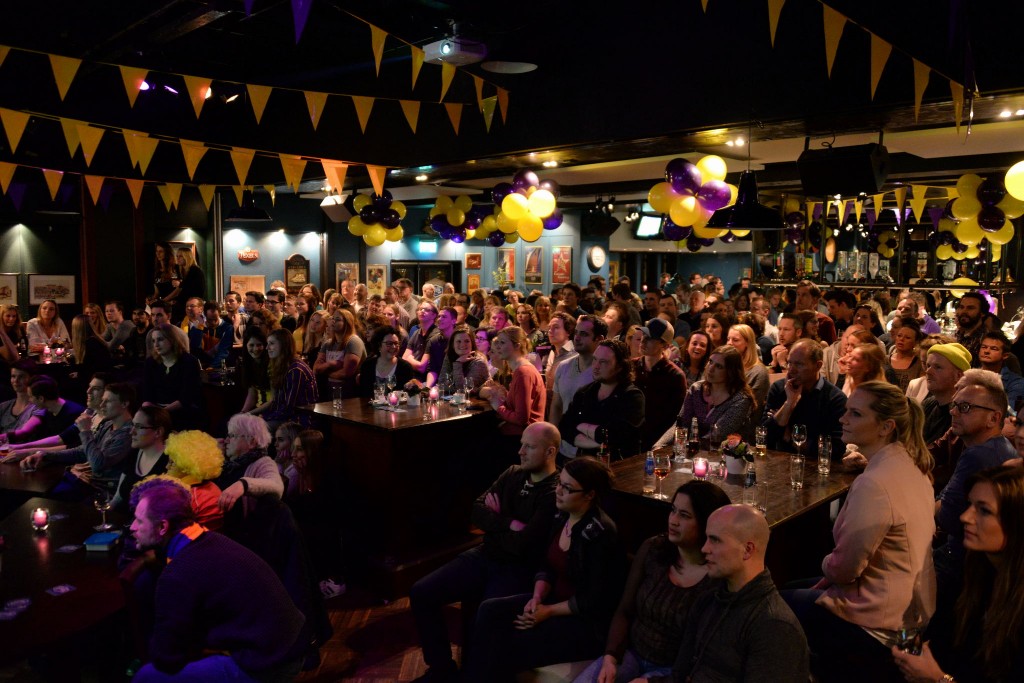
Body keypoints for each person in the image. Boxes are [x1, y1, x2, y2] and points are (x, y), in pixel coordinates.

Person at [782, 381, 935, 683]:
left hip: (880, 621)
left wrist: (826, 562)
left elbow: (845, 569)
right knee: (795, 584)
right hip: (914, 609)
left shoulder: (876, 482)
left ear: (885, 427)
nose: (842, 419)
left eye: (855, 414)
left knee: (772, 606)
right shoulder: (911, 464)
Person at [410, 422, 561, 682]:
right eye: (521, 444)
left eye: (529, 446)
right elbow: (476, 511)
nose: (520, 451)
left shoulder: (553, 492)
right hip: (485, 554)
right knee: (421, 592)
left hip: (518, 566)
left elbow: (524, 545)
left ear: (550, 452)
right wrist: (507, 523)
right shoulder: (513, 472)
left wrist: (497, 518)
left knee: (486, 617)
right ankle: (442, 669)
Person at [128, 477, 306, 682]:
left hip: (269, 664)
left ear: (162, 527)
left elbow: (167, 659)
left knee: (147, 676)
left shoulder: (177, 575)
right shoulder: (210, 540)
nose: (132, 527)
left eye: (139, 521)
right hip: (290, 644)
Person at [466, 457, 626, 681]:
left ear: (589, 495)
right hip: (552, 600)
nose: (558, 491)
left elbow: (593, 599)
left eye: (567, 488)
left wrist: (547, 612)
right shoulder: (561, 514)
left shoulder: (600, 533)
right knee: (489, 610)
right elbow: (546, 564)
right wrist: (537, 597)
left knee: (509, 641)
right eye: (559, 483)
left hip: (584, 621)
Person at [576, 481, 731, 683]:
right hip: (631, 654)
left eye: (684, 516)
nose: (673, 521)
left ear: (707, 523)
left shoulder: (717, 576)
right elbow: (625, 609)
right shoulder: (654, 548)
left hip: (673, 673)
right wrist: (610, 657)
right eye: (673, 511)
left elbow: (707, 655)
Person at [891, 467, 1024, 683]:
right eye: (970, 504)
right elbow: (937, 635)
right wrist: (910, 650)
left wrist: (939, 679)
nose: (965, 516)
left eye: (984, 511)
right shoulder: (978, 570)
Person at [651, 505, 809, 683]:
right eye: (706, 539)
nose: (704, 548)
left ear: (747, 550)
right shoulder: (708, 601)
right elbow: (679, 675)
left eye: (715, 540)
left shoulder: (774, 625)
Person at [933, 369, 1018, 597]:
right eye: (955, 405)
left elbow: (947, 518)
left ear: (994, 418)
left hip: (964, 560)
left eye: (965, 407)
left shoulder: (980, 454)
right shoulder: (992, 447)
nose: (953, 412)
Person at [19, 382, 136, 492]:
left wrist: (85, 431)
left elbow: (98, 465)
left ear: (124, 404)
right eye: (102, 400)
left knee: (42, 490)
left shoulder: (126, 434)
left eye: (108, 401)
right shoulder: (108, 424)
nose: (102, 405)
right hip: (86, 481)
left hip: (100, 489)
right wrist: (44, 455)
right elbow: (82, 451)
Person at [560, 339, 645, 460]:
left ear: (620, 366)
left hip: (619, 467)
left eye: (603, 362)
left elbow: (617, 436)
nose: (596, 366)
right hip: (585, 464)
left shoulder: (632, 396)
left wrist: (583, 426)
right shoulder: (585, 392)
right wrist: (599, 442)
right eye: (595, 359)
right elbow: (565, 427)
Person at [762, 338, 847, 456]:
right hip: (779, 462)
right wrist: (789, 403)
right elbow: (764, 437)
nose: (791, 369)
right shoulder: (779, 389)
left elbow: (835, 448)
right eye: (789, 363)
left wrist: (789, 437)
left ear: (818, 366)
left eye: (799, 364)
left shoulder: (835, 398)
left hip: (816, 468)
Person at [659, 345, 755, 447]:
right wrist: (660, 445)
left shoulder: (740, 399)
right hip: (692, 450)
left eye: (719, 366)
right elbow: (681, 425)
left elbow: (717, 435)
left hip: (726, 455)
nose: (711, 368)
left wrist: (687, 448)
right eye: (710, 362)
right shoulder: (696, 389)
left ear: (731, 372)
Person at [485, 326, 547, 459]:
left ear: (517, 345)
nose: (498, 347)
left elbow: (521, 419)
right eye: (497, 343)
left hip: (521, 439)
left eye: (502, 342)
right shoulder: (519, 370)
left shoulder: (523, 372)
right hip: (519, 436)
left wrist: (498, 407)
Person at [551, 315, 608, 460]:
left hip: (591, 453)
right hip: (563, 448)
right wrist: (553, 439)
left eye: (584, 334)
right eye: (576, 332)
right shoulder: (563, 367)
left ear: (599, 339)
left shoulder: (604, 372)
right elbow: (556, 406)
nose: (577, 338)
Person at [214, 412, 285, 514]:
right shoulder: (229, 462)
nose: (226, 440)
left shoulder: (263, 462)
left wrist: (244, 484)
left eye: (232, 435)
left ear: (252, 442)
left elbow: (277, 485)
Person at [632, 319, 687, 451]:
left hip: (655, 444)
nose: (643, 341)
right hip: (630, 440)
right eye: (644, 335)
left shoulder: (674, 376)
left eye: (650, 338)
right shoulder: (631, 366)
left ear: (665, 345)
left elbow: (675, 418)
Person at [141, 322, 203, 431]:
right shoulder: (150, 362)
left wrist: (161, 413)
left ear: (172, 340)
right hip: (157, 412)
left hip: (183, 412)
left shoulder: (189, 361)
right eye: (153, 341)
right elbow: (147, 393)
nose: (156, 345)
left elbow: (186, 398)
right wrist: (146, 412)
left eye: (160, 340)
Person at [251, 329, 317, 428]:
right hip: (285, 417)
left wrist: (265, 418)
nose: (267, 348)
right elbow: (276, 401)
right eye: (267, 343)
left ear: (284, 345)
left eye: (271, 343)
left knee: (255, 430)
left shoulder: (296, 370)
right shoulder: (281, 366)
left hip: (299, 420)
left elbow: (289, 407)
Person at [111, 405, 172, 512]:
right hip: (122, 520)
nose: (132, 432)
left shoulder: (169, 464)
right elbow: (118, 497)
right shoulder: (133, 453)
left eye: (139, 427)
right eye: (133, 425)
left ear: (158, 432)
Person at [314, 308, 366, 396]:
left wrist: (326, 373)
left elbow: (346, 373)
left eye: (337, 320)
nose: (333, 322)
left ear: (347, 323)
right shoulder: (328, 344)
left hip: (349, 393)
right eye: (333, 319)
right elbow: (316, 369)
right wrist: (331, 364)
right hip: (330, 391)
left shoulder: (353, 341)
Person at [356, 325, 415, 398]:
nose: (394, 347)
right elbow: (363, 394)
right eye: (389, 344)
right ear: (379, 345)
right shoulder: (368, 365)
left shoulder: (405, 367)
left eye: (396, 343)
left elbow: (408, 396)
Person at [727, 322, 770, 411]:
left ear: (747, 343)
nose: (729, 343)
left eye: (735, 340)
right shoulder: (727, 366)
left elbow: (752, 406)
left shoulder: (758, 372)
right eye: (728, 339)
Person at [977, 330, 1024, 408]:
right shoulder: (970, 375)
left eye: (994, 349)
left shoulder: (1016, 383)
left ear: (1005, 355)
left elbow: (1009, 412)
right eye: (984, 347)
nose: (986, 351)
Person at [438, 324, 489, 392]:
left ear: (472, 343)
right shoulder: (449, 356)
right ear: (453, 344)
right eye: (458, 341)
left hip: (476, 401)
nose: (462, 345)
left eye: (467, 341)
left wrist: (458, 364)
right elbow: (441, 384)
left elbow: (463, 390)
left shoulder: (479, 362)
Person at [165, 246, 205, 323]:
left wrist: (164, 300)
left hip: (192, 307)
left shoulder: (194, 270)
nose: (178, 258)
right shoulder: (185, 272)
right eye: (177, 256)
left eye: (180, 256)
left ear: (187, 257)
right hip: (187, 305)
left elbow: (180, 289)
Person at [68, 313, 113, 380]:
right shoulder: (92, 341)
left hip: (99, 379)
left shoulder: (92, 343)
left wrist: (79, 374)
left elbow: (96, 367)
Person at [238, 328, 271, 414]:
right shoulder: (249, 364)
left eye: (259, 345)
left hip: (271, 411)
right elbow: (252, 394)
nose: (256, 349)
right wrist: (243, 412)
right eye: (251, 345)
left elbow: (274, 400)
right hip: (258, 409)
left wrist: (249, 414)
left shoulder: (271, 364)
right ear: (246, 346)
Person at [889, 317, 925, 393]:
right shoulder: (885, 360)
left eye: (907, 338)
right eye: (899, 336)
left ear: (916, 342)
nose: (901, 339)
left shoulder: (919, 363)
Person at [544, 312, 576, 388]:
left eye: (556, 327)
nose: (550, 331)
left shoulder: (574, 355)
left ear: (568, 332)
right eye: (549, 327)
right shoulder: (552, 352)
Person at [953, 292, 988, 365]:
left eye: (970, 308)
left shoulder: (984, 340)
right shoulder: (959, 334)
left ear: (982, 313)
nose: (964, 311)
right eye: (961, 307)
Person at [148, 241, 177, 305]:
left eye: (161, 251)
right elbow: (157, 292)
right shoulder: (157, 271)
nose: (158, 254)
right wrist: (151, 299)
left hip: (173, 303)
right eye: (156, 251)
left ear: (167, 252)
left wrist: (164, 301)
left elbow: (178, 289)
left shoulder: (175, 268)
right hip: (162, 304)